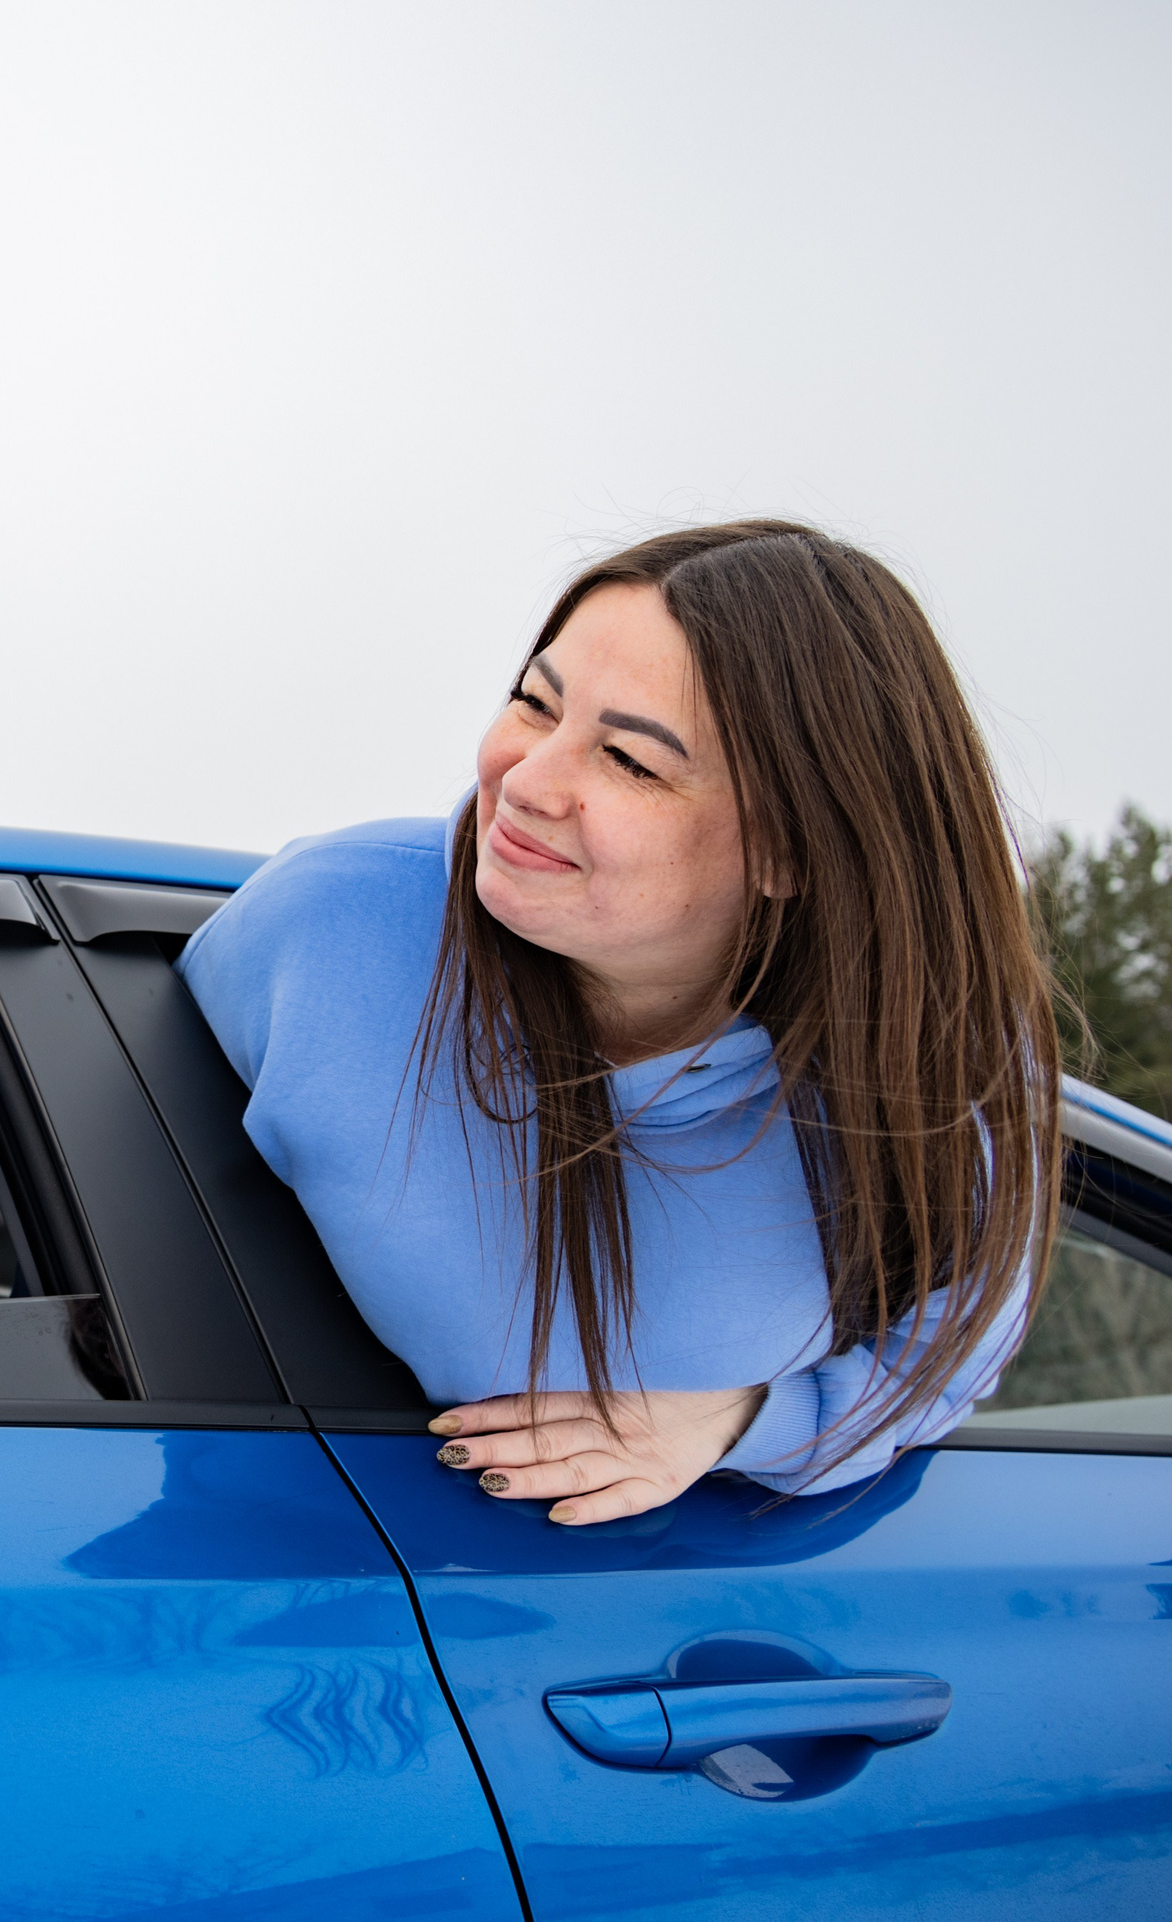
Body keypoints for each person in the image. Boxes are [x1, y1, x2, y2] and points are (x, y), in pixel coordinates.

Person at [181, 520, 1056, 1521]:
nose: (526, 781)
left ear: (792, 849)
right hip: (264, 1546)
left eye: (629, 761)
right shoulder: (324, 927)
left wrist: (744, 1419)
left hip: (689, 1599)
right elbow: (78, 1117)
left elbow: (953, 1339)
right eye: (534, 703)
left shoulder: (933, 1073)